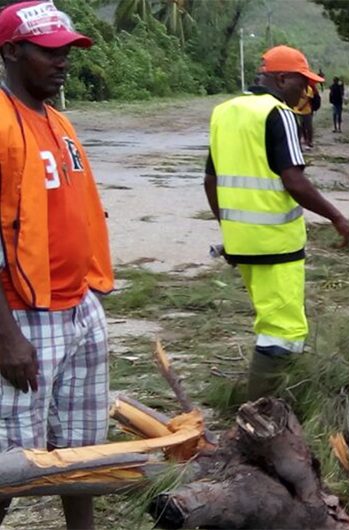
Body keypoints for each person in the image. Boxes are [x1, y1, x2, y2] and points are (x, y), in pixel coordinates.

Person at [0, 1, 114, 528]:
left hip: (79, 310)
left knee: (81, 449)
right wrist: (6, 338)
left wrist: (91, 291)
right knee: (10, 462)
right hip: (22, 318)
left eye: (67, 50)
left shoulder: (59, 120)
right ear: (11, 51)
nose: (63, 61)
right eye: (49, 52)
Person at [203, 45, 349, 400]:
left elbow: (210, 181)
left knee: (268, 320)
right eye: (302, 83)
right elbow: (294, 180)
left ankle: (272, 406)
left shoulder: (224, 112)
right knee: (283, 329)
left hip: (242, 241)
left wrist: (229, 230)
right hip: (276, 242)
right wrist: (337, 216)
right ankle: (262, 413)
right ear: (281, 78)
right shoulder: (278, 113)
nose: (305, 92)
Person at [292, 82, 320, 150]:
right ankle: (301, 142)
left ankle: (309, 141)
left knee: (308, 127)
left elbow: (307, 99)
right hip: (297, 111)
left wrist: (301, 107)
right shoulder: (296, 88)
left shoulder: (308, 89)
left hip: (306, 111)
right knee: (300, 128)